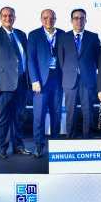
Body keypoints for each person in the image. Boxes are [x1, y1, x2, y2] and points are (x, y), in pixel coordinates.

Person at [0, 6, 32, 159]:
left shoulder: (21, 34)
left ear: (14, 17)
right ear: (0, 18)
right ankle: (1, 148)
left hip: (21, 82)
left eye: (10, 15)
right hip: (1, 84)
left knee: (19, 117)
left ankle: (18, 146)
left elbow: (25, 58)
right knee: (1, 117)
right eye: (4, 15)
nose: (7, 18)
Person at [27, 9, 65, 157]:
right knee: (39, 115)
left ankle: (55, 145)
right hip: (40, 82)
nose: (48, 20)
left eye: (51, 18)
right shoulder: (34, 35)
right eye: (45, 18)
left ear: (55, 19)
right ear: (41, 19)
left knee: (56, 114)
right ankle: (38, 146)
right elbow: (31, 59)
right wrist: (34, 80)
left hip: (58, 81)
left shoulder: (62, 34)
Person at [57, 8, 101, 139]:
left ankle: (87, 137)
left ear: (86, 20)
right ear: (71, 21)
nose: (79, 21)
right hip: (69, 80)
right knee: (70, 111)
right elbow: (61, 59)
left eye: (82, 18)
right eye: (76, 18)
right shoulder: (63, 37)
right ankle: (70, 137)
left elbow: (98, 59)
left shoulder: (93, 37)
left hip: (87, 80)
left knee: (88, 111)